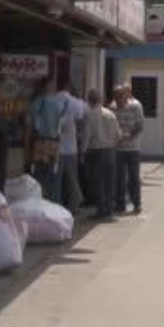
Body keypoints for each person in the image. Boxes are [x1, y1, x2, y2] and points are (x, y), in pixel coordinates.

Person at [82, 88, 120, 220]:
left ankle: (101, 210)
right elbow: (118, 134)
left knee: (97, 181)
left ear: (89, 101)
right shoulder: (110, 114)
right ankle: (109, 209)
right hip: (110, 150)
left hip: (96, 151)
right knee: (109, 181)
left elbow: (87, 134)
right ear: (101, 100)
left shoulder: (90, 114)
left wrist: (83, 151)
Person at [27, 76, 65, 203]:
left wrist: (27, 144)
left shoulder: (38, 102)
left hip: (41, 143)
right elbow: (62, 125)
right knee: (52, 175)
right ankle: (52, 203)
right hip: (54, 143)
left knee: (39, 175)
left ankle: (40, 202)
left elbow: (30, 124)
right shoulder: (59, 103)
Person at [113, 84, 145, 214]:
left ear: (126, 95)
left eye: (120, 96)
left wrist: (129, 137)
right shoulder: (112, 108)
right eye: (116, 96)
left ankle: (136, 204)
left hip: (133, 149)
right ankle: (120, 205)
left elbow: (140, 126)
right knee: (119, 179)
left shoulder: (135, 107)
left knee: (134, 178)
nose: (118, 99)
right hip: (118, 149)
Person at [55, 80, 86, 213]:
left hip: (56, 148)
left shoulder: (53, 100)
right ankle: (75, 203)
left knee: (57, 179)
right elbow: (83, 117)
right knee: (72, 178)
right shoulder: (76, 103)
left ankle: (57, 204)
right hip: (72, 148)